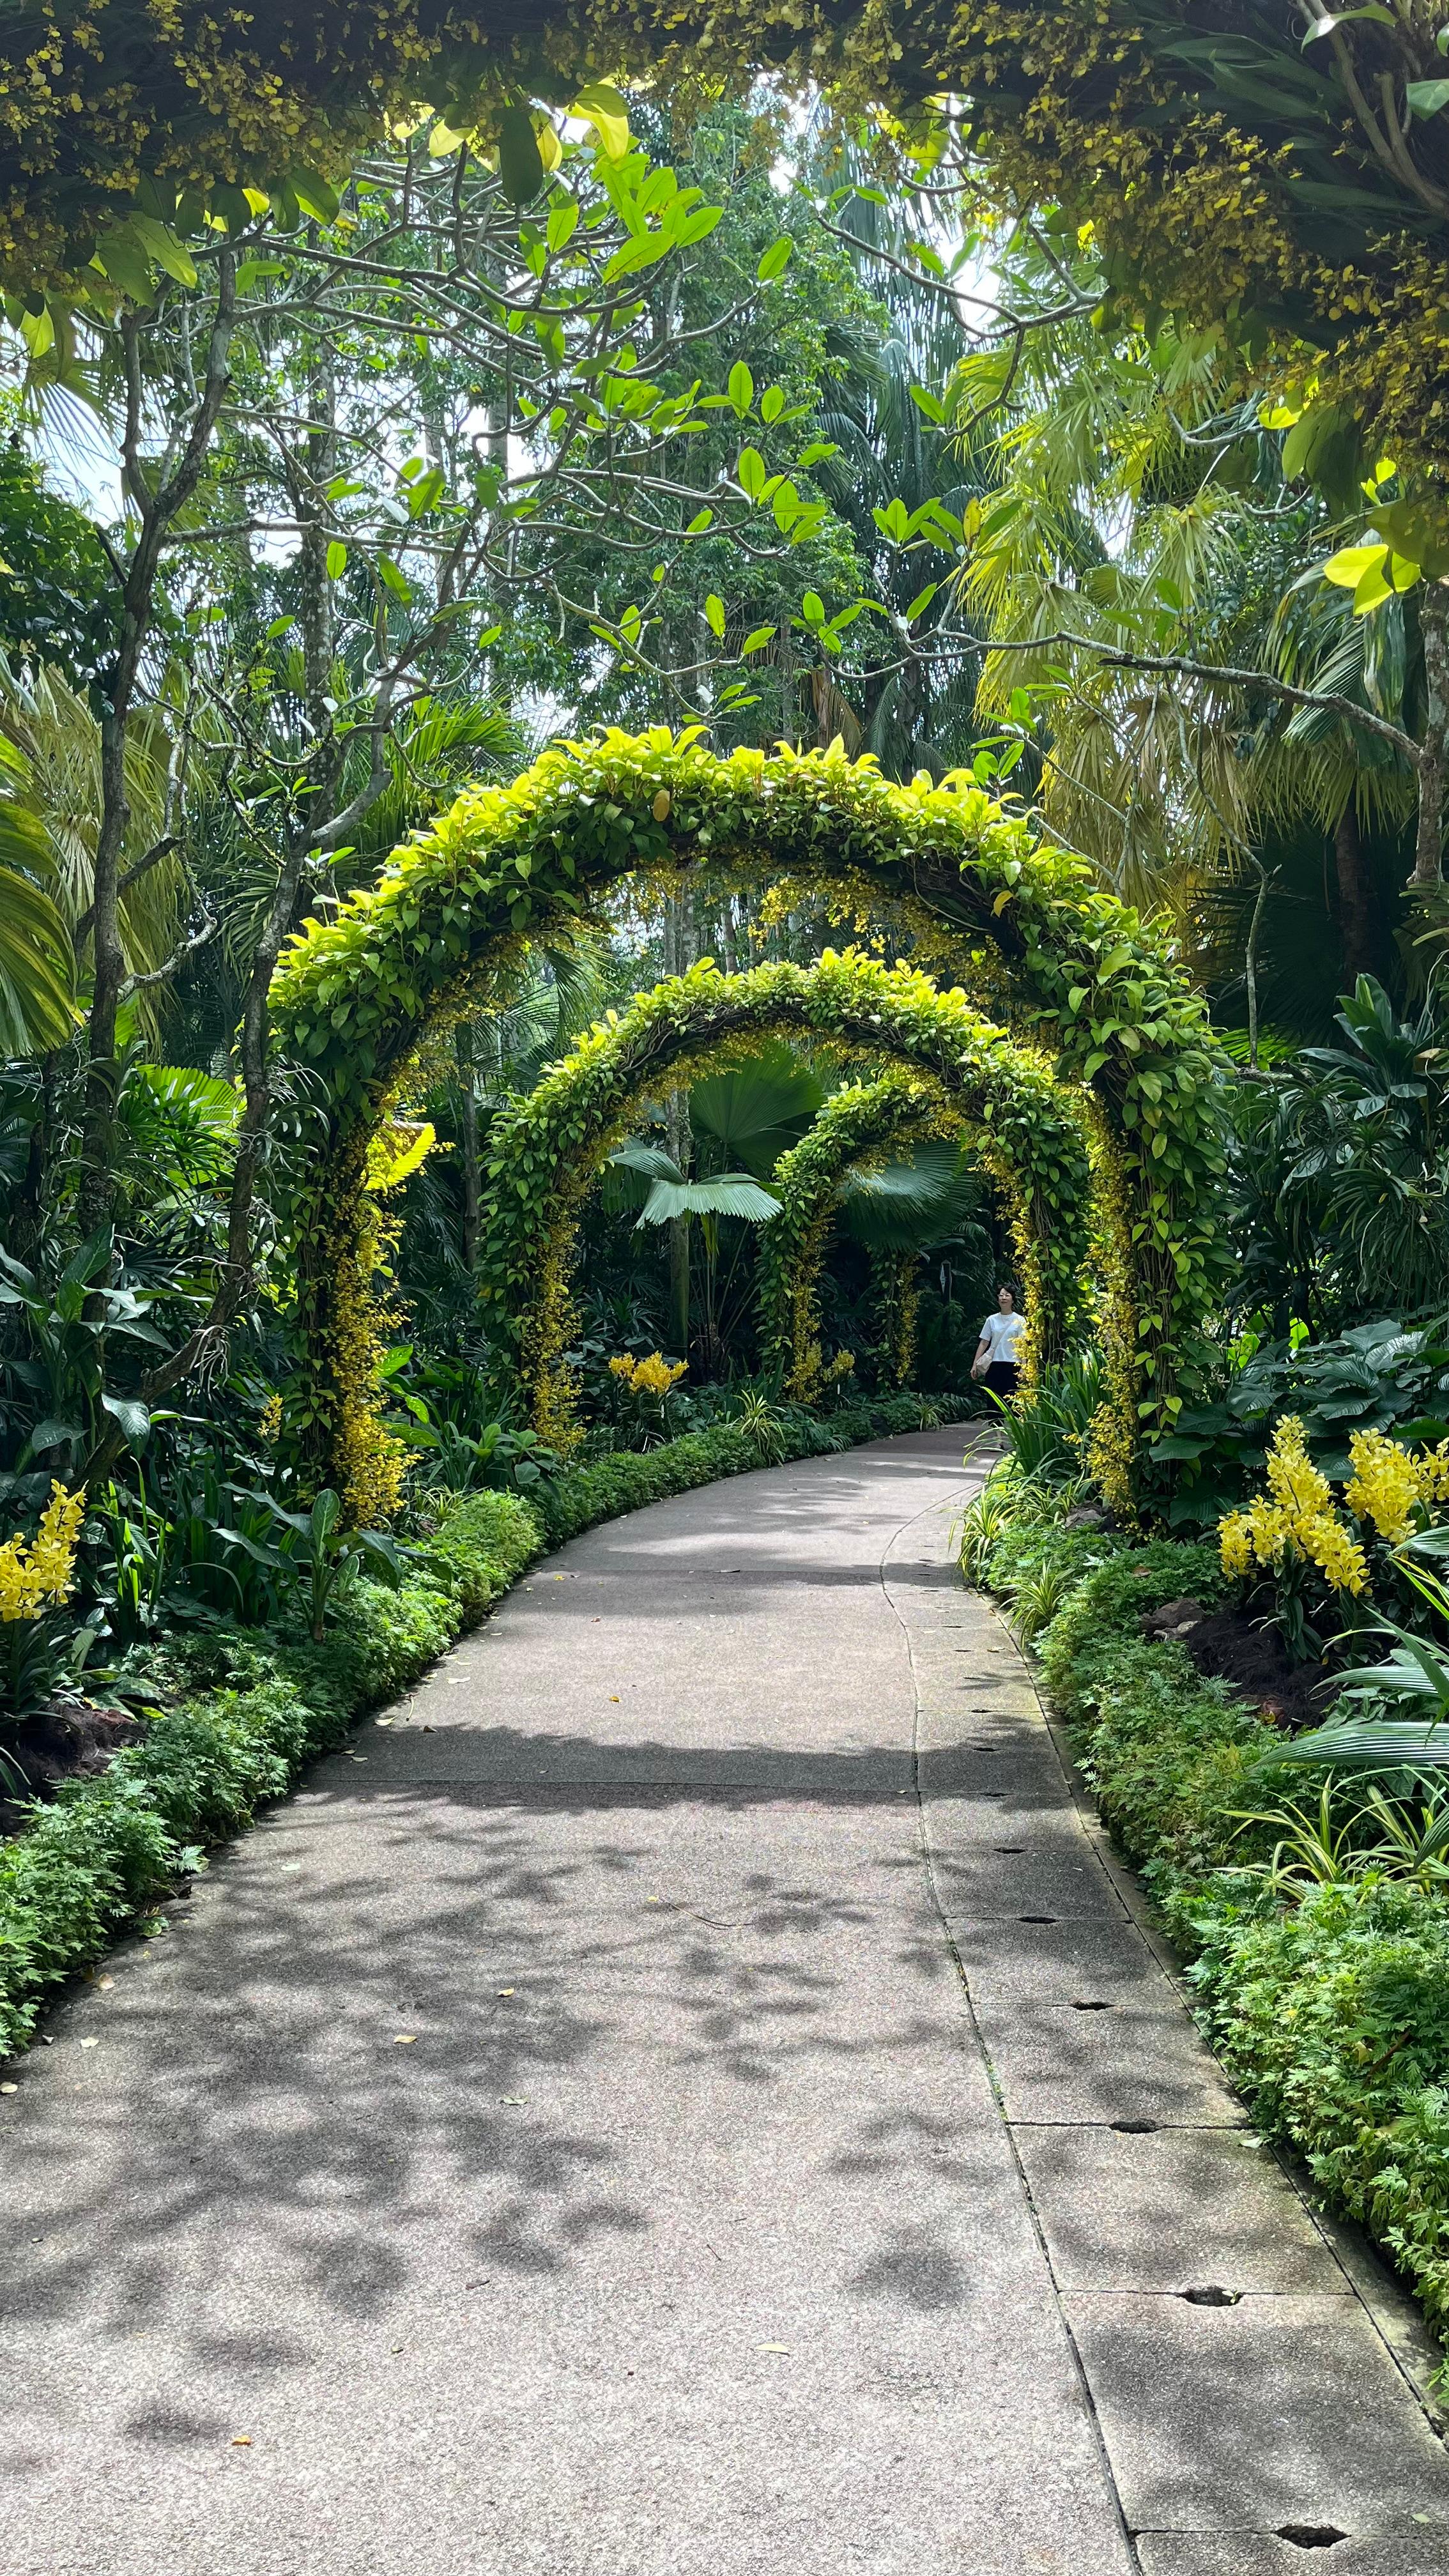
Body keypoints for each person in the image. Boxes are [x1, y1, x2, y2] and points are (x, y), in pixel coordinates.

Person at [972, 1284, 1025, 1403]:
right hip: (994, 1365)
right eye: (1001, 1295)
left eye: (1007, 1295)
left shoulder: (1020, 1320)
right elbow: (984, 1343)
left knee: (1013, 1403)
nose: (1004, 1298)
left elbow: (1023, 1346)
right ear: (998, 1299)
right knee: (993, 1402)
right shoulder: (991, 1320)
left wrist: (1024, 1367)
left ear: (1013, 1299)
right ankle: (994, 1423)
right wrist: (975, 1364)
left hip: (1013, 1366)